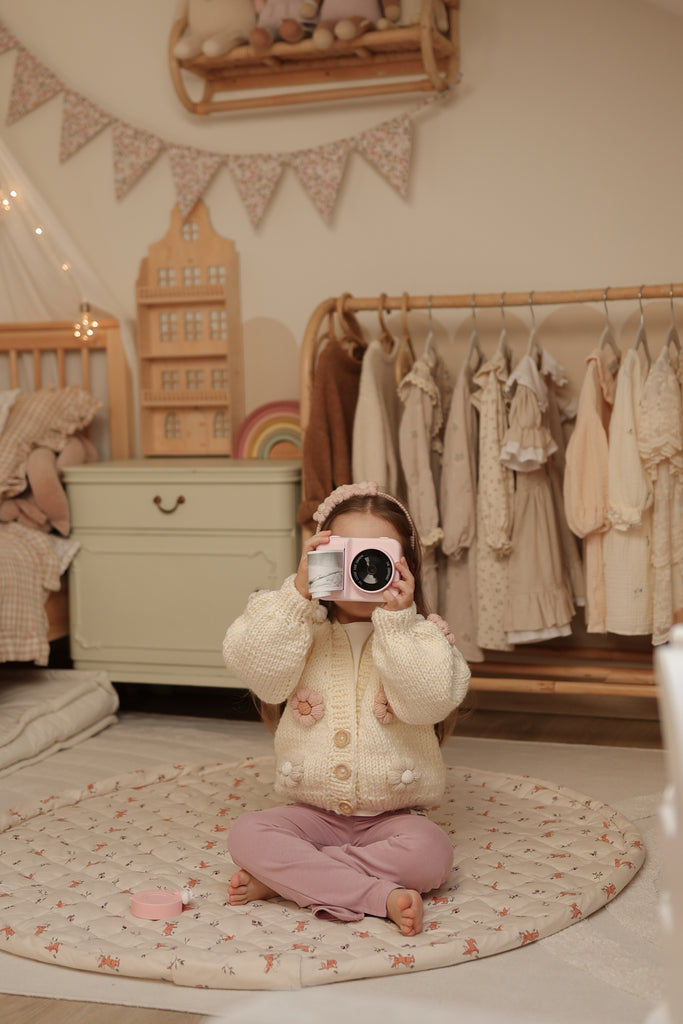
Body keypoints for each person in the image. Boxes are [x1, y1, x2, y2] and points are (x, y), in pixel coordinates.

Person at [222, 481, 471, 936]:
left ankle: (290, 878)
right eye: (345, 554)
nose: (362, 568)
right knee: (246, 834)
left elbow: (426, 703)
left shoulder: (421, 637)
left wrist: (398, 622)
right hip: (310, 814)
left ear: (406, 568)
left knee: (432, 855)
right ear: (319, 557)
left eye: (374, 556)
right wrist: (298, 595)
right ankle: (375, 894)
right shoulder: (298, 627)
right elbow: (259, 672)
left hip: (392, 820)